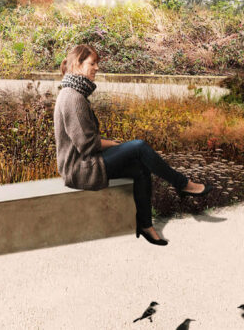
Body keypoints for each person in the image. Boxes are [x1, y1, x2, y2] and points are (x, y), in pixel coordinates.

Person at [53, 44, 211, 246]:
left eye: (97, 63)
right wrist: (115, 144)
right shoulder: (73, 98)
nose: (97, 68)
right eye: (92, 63)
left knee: (140, 168)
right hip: (80, 169)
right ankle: (183, 184)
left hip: (84, 162)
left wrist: (115, 145)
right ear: (77, 64)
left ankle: (145, 226)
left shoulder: (73, 93)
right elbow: (86, 144)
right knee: (139, 146)